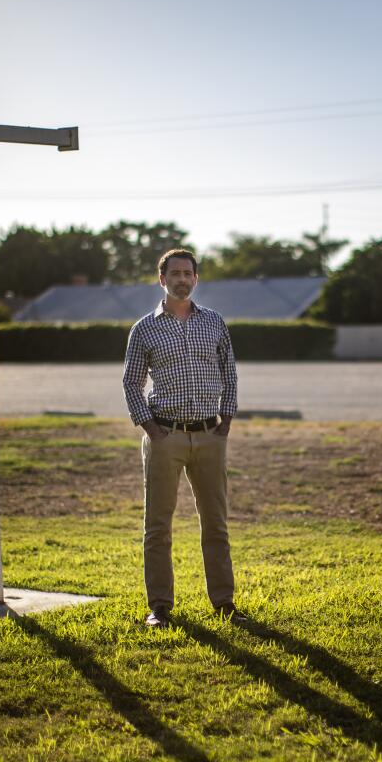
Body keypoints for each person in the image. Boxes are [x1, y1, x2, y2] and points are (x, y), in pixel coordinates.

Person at [122, 249, 245, 629]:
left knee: (216, 523)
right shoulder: (145, 328)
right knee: (158, 526)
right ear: (162, 280)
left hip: (210, 436)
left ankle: (224, 603)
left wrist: (226, 419)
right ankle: (159, 607)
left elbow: (230, 370)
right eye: (174, 273)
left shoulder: (214, 323)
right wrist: (151, 429)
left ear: (195, 278)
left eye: (187, 273)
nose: (181, 279)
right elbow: (131, 381)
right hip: (166, 437)